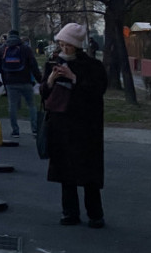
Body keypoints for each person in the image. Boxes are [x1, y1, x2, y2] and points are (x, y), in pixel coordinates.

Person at [42, 23, 108, 228]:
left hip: (85, 127)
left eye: (68, 44)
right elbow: (44, 95)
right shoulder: (53, 62)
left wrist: (74, 78)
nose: (64, 47)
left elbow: (97, 91)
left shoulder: (92, 66)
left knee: (88, 173)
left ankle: (95, 214)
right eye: (61, 43)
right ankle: (69, 212)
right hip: (61, 124)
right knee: (65, 172)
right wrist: (51, 80)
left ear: (77, 45)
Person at [0, 29, 43, 138]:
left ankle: (15, 130)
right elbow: (34, 66)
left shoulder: (3, 49)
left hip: (10, 81)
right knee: (31, 105)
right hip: (25, 80)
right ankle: (34, 129)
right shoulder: (26, 49)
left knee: (12, 106)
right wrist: (40, 80)